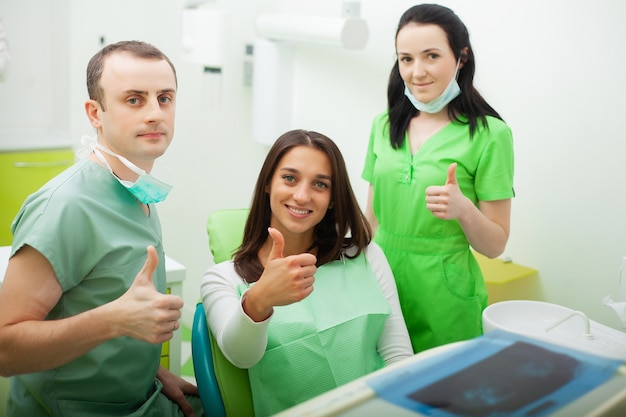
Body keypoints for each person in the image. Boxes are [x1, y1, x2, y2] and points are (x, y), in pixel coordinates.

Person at [0, 41, 204, 417]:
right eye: (133, 100)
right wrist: (114, 320)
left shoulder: (138, 191)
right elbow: (5, 349)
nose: (155, 113)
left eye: (164, 98)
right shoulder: (64, 207)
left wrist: (154, 373)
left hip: (141, 398)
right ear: (95, 113)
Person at [201, 130, 412, 417]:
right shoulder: (224, 279)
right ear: (267, 183)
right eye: (289, 178)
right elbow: (241, 356)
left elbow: (398, 357)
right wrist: (259, 300)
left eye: (320, 185)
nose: (302, 196)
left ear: (333, 198)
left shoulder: (366, 256)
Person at [362, 4, 514, 354]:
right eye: (406, 59)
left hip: (445, 297)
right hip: (380, 285)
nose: (417, 72)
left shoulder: (491, 135)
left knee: (444, 398)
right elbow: (370, 221)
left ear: (461, 57)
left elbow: (495, 246)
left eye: (431, 56)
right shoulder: (383, 126)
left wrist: (464, 209)